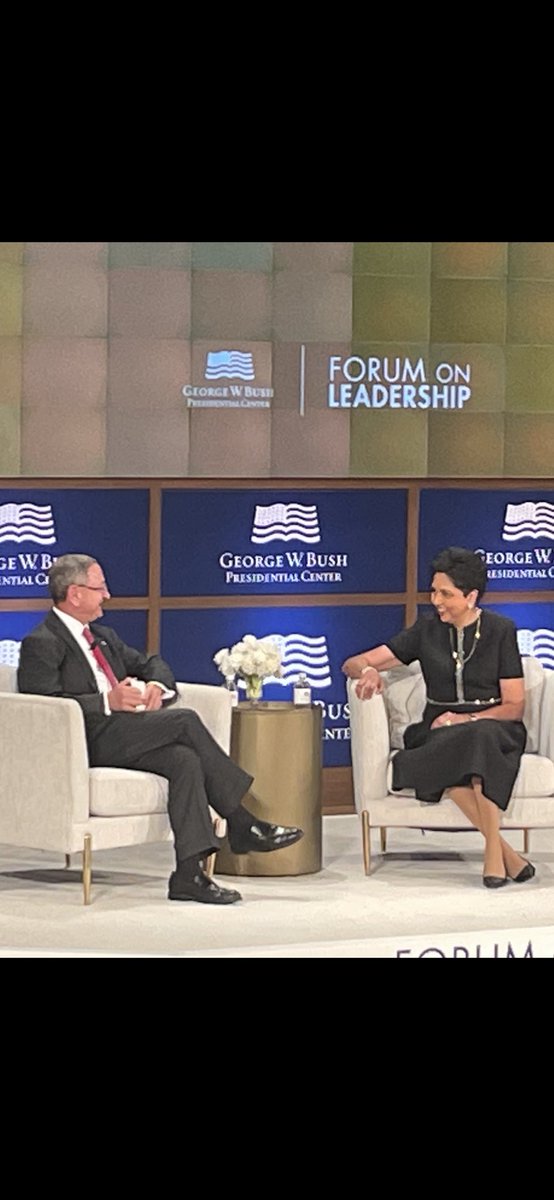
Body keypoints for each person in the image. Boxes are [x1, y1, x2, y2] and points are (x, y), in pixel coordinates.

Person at [17, 554, 303, 906]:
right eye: (99, 587)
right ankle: (242, 821)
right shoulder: (42, 642)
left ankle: (188, 876)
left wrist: (157, 687)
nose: (107, 594)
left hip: (123, 733)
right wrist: (107, 701)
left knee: (184, 760)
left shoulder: (103, 636)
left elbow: (153, 663)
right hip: (83, 742)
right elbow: (42, 707)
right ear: (75, 594)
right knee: (184, 721)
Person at [342, 546, 535, 889]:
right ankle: (503, 852)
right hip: (436, 729)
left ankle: (495, 855)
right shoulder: (427, 631)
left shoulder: (501, 630)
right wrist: (369, 671)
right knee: (454, 748)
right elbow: (353, 662)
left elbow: (514, 705)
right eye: (434, 591)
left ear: (471, 596)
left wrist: (468, 720)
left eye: (446, 593)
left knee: (479, 740)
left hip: (494, 726)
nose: (437, 600)